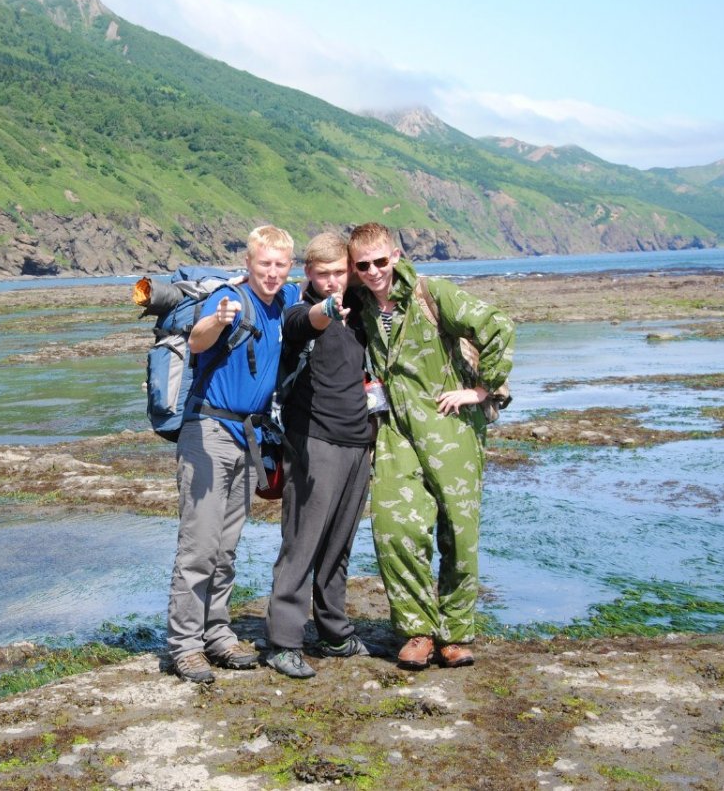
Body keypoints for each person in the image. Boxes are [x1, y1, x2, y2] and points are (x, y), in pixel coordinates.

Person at [348, 222, 514, 670]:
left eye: (380, 261)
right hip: (394, 429)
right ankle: (417, 631)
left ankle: (455, 634)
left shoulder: (431, 292)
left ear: (396, 256)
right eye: (363, 265)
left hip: (451, 428)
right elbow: (311, 285)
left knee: (458, 533)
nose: (374, 271)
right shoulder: (357, 302)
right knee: (394, 526)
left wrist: (482, 390)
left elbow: (497, 325)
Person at [166, 224, 300, 684]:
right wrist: (218, 319)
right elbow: (197, 340)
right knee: (198, 547)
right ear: (249, 262)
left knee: (226, 546)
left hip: (249, 437)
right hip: (208, 431)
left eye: (280, 265)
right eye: (264, 263)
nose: (272, 272)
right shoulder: (229, 299)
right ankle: (185, 646)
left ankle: (217, 633)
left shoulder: (284, 299)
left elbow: (323, 290)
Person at [263, 232, 374, 679]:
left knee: (339, 545)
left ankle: (333, 631)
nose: (332, 282)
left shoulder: (361, 315)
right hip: (313, 440)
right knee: (302, 543)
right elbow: (302, 323)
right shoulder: (299, 311)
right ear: (307, 273)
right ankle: (283, 641)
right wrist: (325, 310)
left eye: (339, 273)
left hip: (358, 443)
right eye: (323, 274)